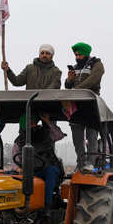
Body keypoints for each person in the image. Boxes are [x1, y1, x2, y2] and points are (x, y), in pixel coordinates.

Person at [12, 112, 64, 212]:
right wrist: (18, 168)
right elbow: (14, 161)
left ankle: (46, 205)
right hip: (29, 172)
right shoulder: (18, 141)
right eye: (30, 123)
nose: (33, 125)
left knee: (51, 171)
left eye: (34, 122)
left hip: (47, 168)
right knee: (10, 176)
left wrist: (47, 121)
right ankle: (17, 206)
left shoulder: (45, 133)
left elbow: (59, 135)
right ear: (24, 125)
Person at [65, 42, 105, 171]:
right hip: (76, 105)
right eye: (76, 54)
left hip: (91, 104)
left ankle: (90, 163)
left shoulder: (97, 64)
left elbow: (93, 79)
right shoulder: (75, 67)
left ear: (86, 53)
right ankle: (81, 163)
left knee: (91, 136)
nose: (77, 56)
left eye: (79, 54)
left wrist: (77, 89)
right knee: (77, 138)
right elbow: (67, 86)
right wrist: (70, 80)